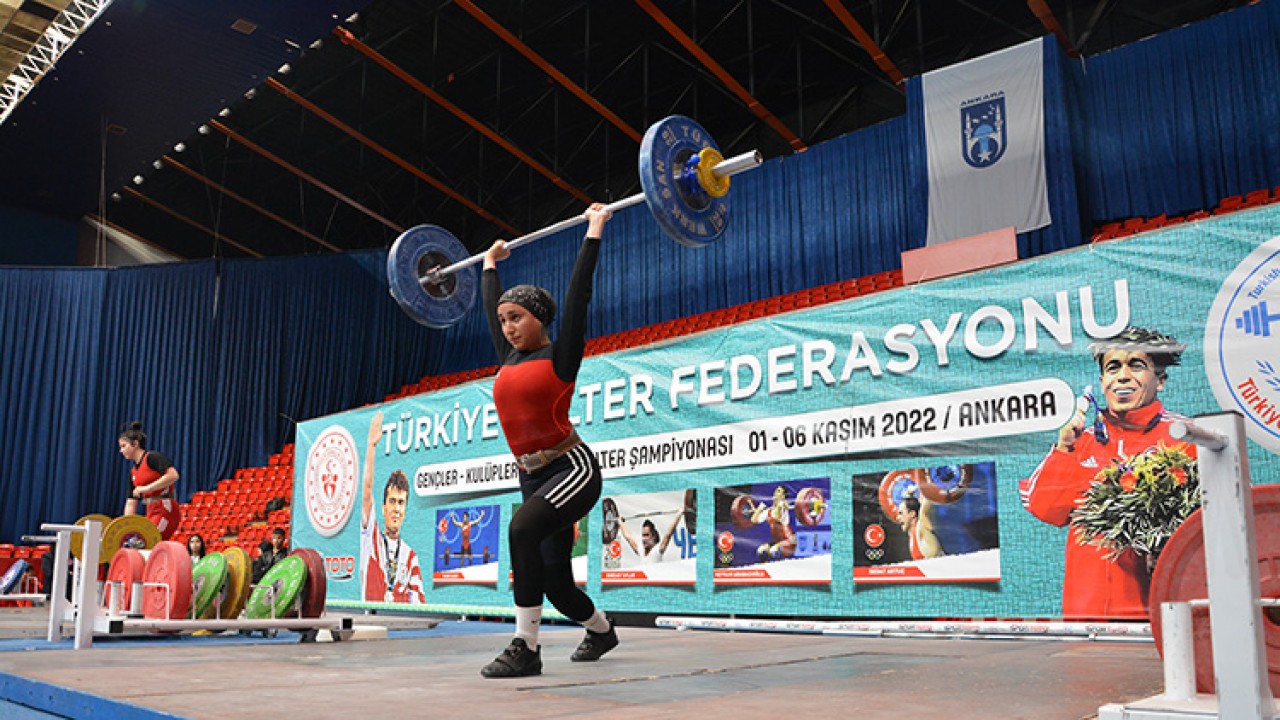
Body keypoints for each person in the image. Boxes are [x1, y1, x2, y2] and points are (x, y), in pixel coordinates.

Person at [479, 203, 617, 679]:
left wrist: (594, 230)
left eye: (516, 318)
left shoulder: (561, 356)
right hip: (530, 474)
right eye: (502, 321)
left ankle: (526, 647)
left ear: (538, 318)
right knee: (557, 582)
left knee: (520, 530)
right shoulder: (506, 358)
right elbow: (490, 303)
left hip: (571, 468)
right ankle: (601, 630)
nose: (508, 327)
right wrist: (489, 263)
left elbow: (579, 296)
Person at [1019, 326, 1196, 619]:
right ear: (1102, 383)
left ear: (1160, 380)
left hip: (1159, 618)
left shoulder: (1185, 437)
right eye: (1113, 368)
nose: (1123, 376)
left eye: (1136, 365)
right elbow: (1044, 508)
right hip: (1084, 618)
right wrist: (1064, 448)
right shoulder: (1081, 441)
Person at [360, 412, 425, 603]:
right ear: (383, 507)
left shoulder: (411, 557)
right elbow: (367, 490)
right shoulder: (370, 539)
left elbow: (419, 606)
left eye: (401, 502)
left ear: (405, 509)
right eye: (392, 501)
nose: (396, 508)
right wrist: (371, 448)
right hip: (370, 623)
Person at [117, 421, 181, 540]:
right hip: (150, 510)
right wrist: (126, 527)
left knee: (148, 541)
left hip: (165, 508)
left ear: (135, 444)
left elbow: (173, 475)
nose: (121, 451)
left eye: (123, 446)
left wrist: (145, 488)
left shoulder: (152, 457)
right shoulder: (133, 472)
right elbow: (131, 502)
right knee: (139, 544)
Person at [896, 488, 944, 560]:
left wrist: (925, 484)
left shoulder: (921, 527)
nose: (897, 518)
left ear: (912, 514)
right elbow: (910, 505)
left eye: (900, 513)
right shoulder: (911, 531)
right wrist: (909, 494)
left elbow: (924, 508)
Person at [617, 512, 682, 564]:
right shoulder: (640, 550)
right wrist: (620, 523)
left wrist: (679, 515)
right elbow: (628, 537)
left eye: (647, 535)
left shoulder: (658, 550)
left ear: (653, 536)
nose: (644, 539)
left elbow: (668, 534)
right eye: (643, 535)